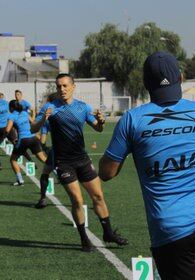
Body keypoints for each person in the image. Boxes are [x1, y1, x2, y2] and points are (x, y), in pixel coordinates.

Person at [99, 51, 195, 280]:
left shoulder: (132, 120)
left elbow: (106, 173)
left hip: (170, 227)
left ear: (146, 83)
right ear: (181, 78)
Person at [31, 73, 128, 252]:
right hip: (63, 162)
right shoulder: (49, 107)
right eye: (59, 86)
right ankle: (84, 238)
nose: (62, 89)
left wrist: (101, 121)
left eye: (65, 85)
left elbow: (98, 128)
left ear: (73, 87)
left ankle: (108, 233)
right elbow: (33, 128)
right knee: (77, 200)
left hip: (82, 160)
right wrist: (44, 118)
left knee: (98, 196)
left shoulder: (83, 107)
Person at [5, 100, 47, 186]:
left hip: (23, 140)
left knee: (13, 159)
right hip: (33, 138)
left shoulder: (12, 116)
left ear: (12, 107)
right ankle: (57, 171)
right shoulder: (24, 113)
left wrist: (7, 136)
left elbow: (7, 130)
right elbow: (33, 123)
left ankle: (20, 180)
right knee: (42, 158)